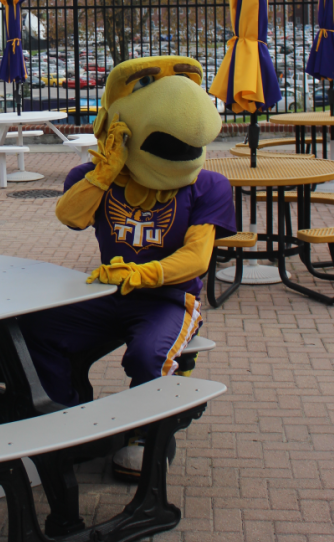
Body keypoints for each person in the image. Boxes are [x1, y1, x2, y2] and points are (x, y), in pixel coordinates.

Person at [19, 55, 236, 478]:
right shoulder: (91, 177)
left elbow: (197, 258)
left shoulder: (209, 185)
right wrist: (105, 173)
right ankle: (67, 416)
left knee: (146, 356)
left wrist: (142, 274)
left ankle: (149, 433)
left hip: (169, 299)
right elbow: (70, 217)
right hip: (108, 293)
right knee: (38, 331)